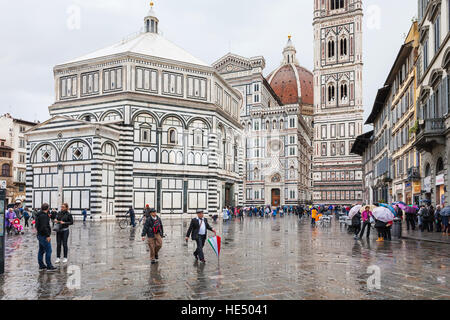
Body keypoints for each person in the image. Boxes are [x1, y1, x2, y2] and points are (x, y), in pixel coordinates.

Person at [35, 203, 57, 271]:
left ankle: (41, 265)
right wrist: (47, 235)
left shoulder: (39, 214)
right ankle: (49, 266)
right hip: (44, 235)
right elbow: (44, 226)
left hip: (40, 234)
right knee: (48, 250)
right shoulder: (44, 216)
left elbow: (37, 226)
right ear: (47, 208)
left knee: (41, 251)